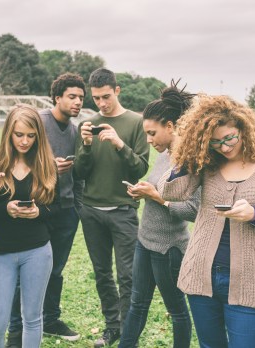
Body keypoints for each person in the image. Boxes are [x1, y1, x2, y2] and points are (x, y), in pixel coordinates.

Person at [159, 94, 255, 347]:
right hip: (201, 277)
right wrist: (190, 156)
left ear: (244, 128)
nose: (225, 147)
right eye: (215, 142)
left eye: (230, 138)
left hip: (251, 281)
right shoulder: (207, 163)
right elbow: (170, 192)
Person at [5, 73, 86, 347]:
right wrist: (49, 164)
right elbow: (19, 153)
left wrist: (77, 205)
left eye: (81, 98)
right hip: (37, 206)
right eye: (72, 96)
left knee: (56, 268)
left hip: (66, 209)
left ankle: (50, 318)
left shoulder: (76, 131)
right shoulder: (37, 121)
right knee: (27, 269)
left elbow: (80, 175)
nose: (77, 102)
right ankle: (16, 330)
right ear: (57, 97)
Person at [118, 80, 199, 348]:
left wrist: (157, 197)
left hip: (169, 249)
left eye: (152, 133)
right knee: (136, 304)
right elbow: (159, 187)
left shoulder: (190, 161)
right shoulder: (164, 153)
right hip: (145, 241)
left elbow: (193, 210)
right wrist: (145, 190)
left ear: (171, 126)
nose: (149, 140)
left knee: (177, 312)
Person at [73, 67, 150, 347]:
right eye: (96, 98)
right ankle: (112, 327)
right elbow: (80, 173)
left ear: (117, 91)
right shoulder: (89, 123)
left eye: (106, 96)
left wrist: (119, 144)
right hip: (91, 212)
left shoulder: (136, 122)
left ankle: (129, 334)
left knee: (128, 275)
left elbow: (140, 168)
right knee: (102, 273)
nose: (101, 104)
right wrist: (84, 144)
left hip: (122, 211)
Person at [0, 104, 58, 348]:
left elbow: (58, 207)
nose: (24, 141)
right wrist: (6, 210)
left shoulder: (46, 164)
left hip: (37, 251)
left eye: (31, 136)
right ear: (8, 132)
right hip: (1, 251)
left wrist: (38, 211)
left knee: (32, 319)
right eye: (19, 134)